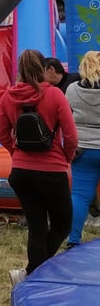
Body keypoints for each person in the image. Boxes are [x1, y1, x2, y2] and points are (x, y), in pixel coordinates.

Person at [0, 49, 77, 286]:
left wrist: (16, 153)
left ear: (20, 70)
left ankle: (31, 274)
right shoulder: (54, 94)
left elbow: (1, 134)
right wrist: (65, 158)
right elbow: (71, 135)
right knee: (63, 223)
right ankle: (34, 275)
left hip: (21, 172)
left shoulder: (8, 96)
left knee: (37, 226)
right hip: (52, 169)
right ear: (43, 68)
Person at [65, 50, 100, 248]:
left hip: (83, 148)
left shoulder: (72, 89)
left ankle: (73, 239)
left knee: (79, 195)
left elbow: (67, 118)